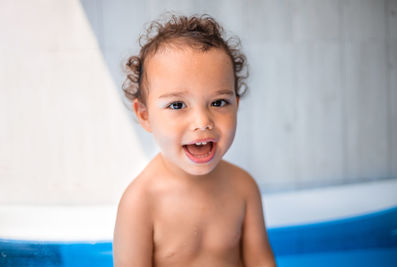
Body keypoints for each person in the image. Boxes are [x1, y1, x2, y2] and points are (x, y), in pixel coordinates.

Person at [113, 13, 276, 267]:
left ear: (236, 105)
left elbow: (261, 260)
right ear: (144, 116)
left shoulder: (243, 187)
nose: (202, 121)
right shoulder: (140, 203)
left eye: (219, 102)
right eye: (177, 105)